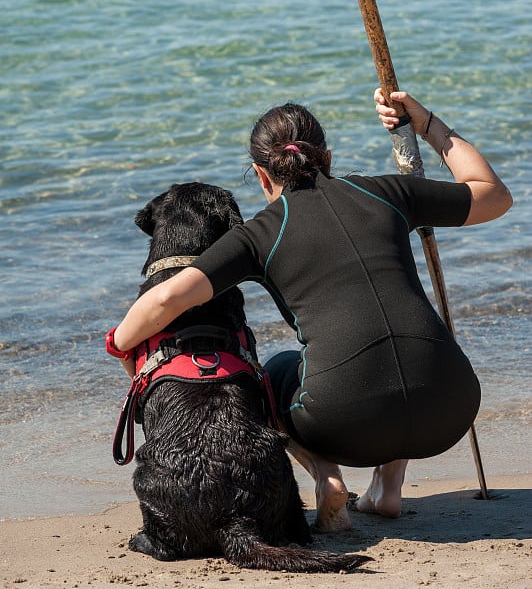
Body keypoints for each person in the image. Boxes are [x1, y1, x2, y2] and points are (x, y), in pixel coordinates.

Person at [108, 89, 512, 531]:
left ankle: (327, 475)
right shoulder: (387, 192)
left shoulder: (260, 234)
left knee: (275, 371)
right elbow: (493, 195)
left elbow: (167, 299)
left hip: (347, 427)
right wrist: (428, 124)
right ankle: (387, 489)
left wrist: (119, 343)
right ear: (329, 157)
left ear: (262, 176)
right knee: (397, 334)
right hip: (451, 405)